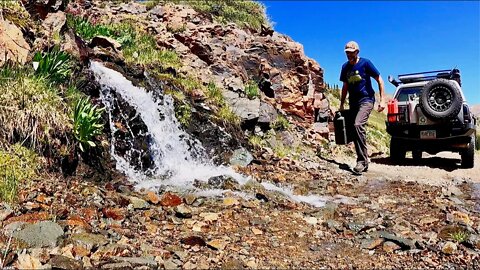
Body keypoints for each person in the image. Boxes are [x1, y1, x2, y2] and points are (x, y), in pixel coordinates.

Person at [339, 41, 385, 174]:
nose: (349, 54)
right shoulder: (345, 67)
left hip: (367, 100)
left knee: (358, 124)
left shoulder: (365, 63)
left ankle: (362, 161)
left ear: (357, 52)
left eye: (351, 52)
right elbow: (345, 87)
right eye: (347, 52)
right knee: (354, 130)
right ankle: (363, 160)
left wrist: (382, 101)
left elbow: (379, 80)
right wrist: (342, 103)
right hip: (353, 102)